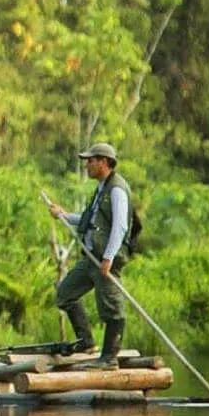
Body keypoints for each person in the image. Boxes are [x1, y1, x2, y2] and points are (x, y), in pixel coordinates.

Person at [47, 142, 133, 369]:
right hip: (90, 258)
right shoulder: (101, 189)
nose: (87, 165)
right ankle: (86, 342)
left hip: (104, 259)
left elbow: (120, 226)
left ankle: (109, 358)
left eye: (91, 160)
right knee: (65, 294)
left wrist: (109, 257)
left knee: (111, 306)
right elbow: (89, 220)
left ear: (104, 162)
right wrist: (63, 215)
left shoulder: (116, 189)